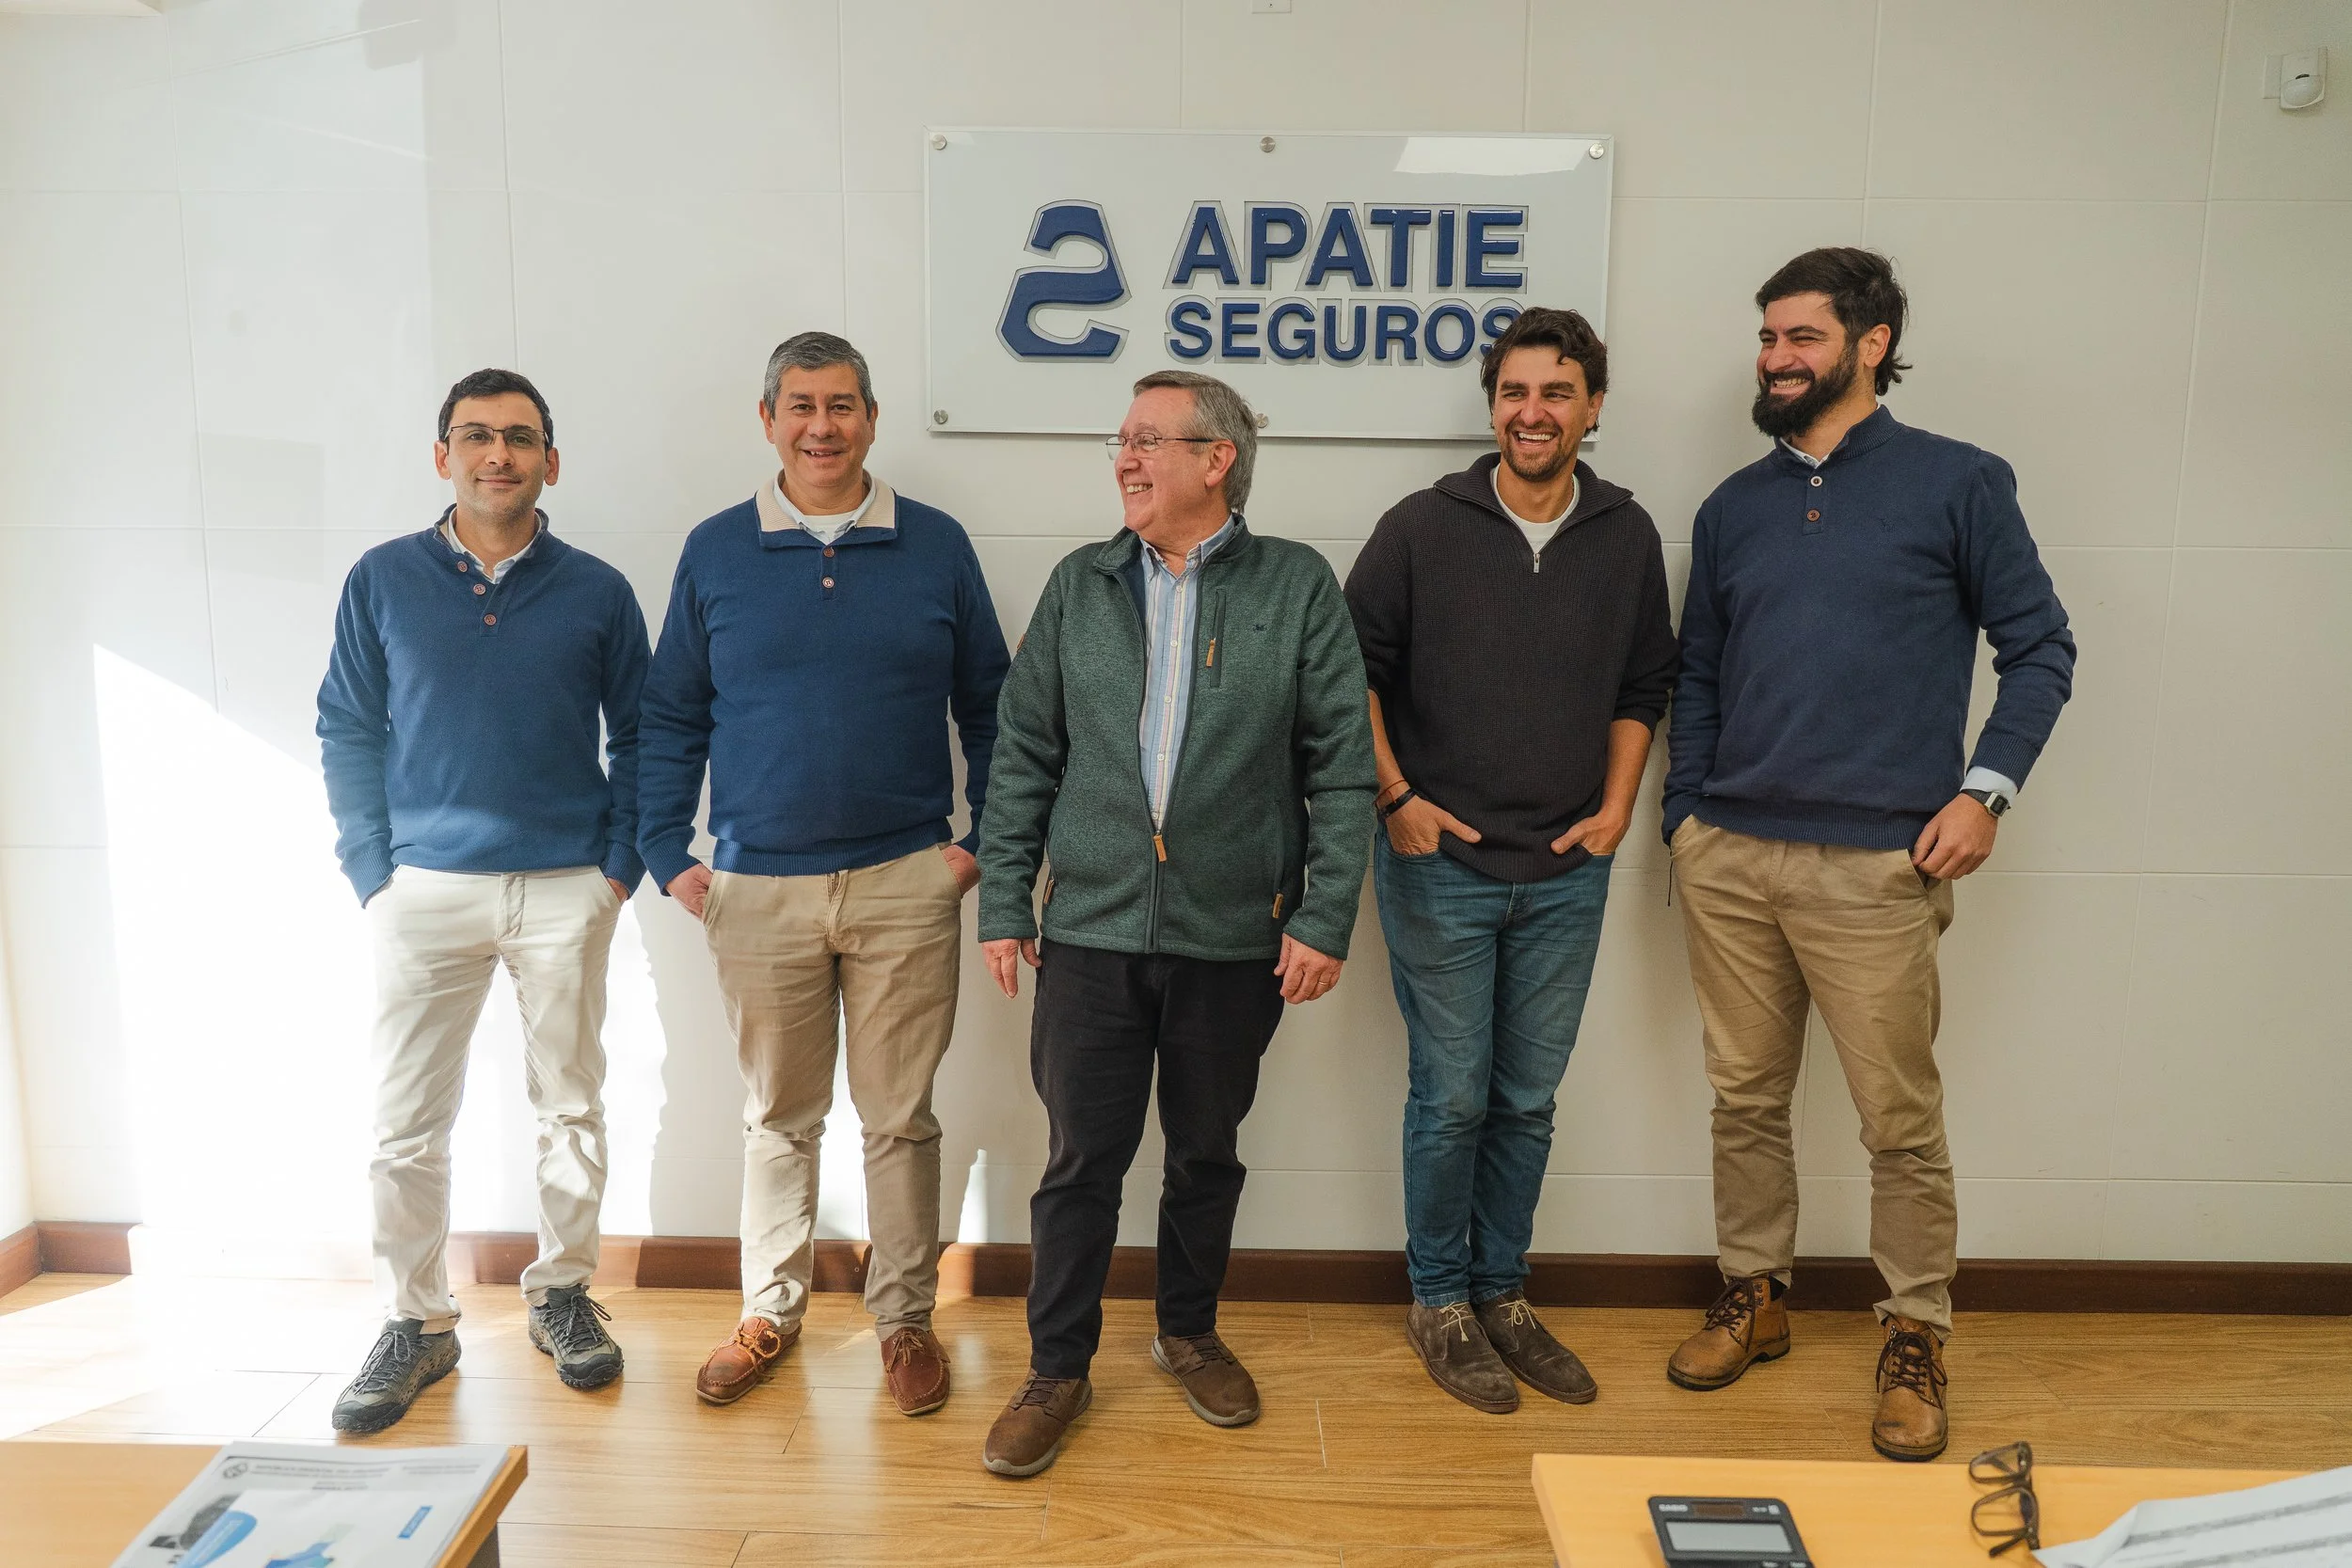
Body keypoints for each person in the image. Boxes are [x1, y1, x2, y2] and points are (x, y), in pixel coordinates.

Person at [1662, 248, 2075, 1461]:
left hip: (1878, 868)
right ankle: (1756, 1292)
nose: (1775, 358)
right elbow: (1696, 673)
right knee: (1743, 1096)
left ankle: (1914, 1331)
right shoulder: (1731, 505)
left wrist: (1984, 791)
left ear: (1871, 342)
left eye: (1799, 338)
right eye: (1766, 339)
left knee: (1896, 1117)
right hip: (1730, 855)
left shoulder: (1959, 483)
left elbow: (2040, 647)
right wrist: (1689, 812)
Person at [974, 370, 1375, 1478]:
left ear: (1219, 458)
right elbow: (1023, 756)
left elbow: (1340, 773)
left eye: (1149, 439)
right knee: (1079, 1162)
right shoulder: (1080, 583)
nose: (1125, 458)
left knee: (1205, 1154)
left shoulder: (1296, 586)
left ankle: (1187, 1329)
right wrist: (1008, 898)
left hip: (1233, 937)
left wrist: (1324, 916)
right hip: (1091, 933)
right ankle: (1057, 1365)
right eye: (1121, 440)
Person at [637, 332, 1009, 1417]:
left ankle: (903, 1321)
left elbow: (990, 706)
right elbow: (671, 714)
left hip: (905, 877)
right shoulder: (714, 552)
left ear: (871, 418)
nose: (821, 426)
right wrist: (672, 853)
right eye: (799, 406)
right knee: (778, 1116)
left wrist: (976, 844)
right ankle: (769, 1310)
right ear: (768, 421)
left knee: (899, 1116)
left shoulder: (936, 546)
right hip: (755, 887)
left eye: (841, 405)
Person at [1344, 308, 1677, 1415]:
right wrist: (1395, 799)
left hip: (1568, 867)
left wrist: (1618, 806)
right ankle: (1439, 1297)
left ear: (1591, 406)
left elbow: (1643, 687)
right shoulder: (1419, 527)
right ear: (1492, 404)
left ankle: (1502, 1292)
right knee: (1450, 1097)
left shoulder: (1625, 535)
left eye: (1557, 392)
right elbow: (1351, 675)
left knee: (1525, 1099)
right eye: (1514, 392)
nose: (1532, 411)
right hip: (1439, 861)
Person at [317, 368, 648, 1432]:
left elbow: (643, 733)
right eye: (475, 435)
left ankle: (561, 1293)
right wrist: (374, 869)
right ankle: (415, 1318)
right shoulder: (382, 579)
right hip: (424, 887)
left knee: (571, 1107)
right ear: (441, 455)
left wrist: (616, 868)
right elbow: (347, 727)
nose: (496, 453)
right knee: (405, 1122)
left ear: (552, 457)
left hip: (564, 885)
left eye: (518, 436)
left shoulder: (597, 589)